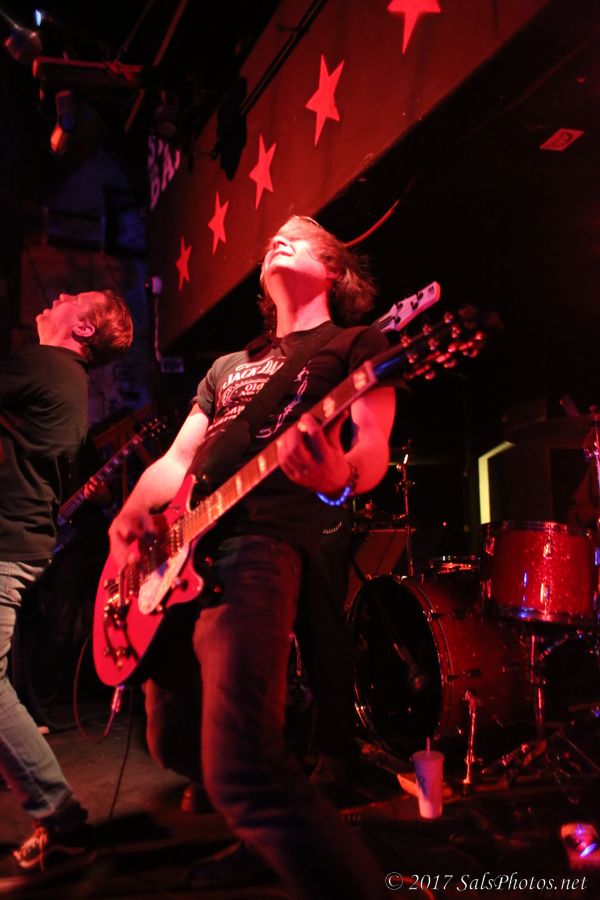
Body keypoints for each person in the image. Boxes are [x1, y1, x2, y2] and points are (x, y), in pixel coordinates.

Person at [109, 215, 395, 898]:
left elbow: (372, 447)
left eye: (300, 234)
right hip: (180, 554)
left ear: (334, 270)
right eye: (272, 238)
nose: (277, 237)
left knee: (243, 767)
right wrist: (128, 515)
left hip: (259, 543)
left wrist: (340, 476)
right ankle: (262, 835)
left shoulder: (357, 344)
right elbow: (178, 460)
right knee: (174, 742)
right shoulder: (226, 368)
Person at [0, 289, 133, 875]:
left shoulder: (43, 365)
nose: (58, 295)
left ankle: (61, 818)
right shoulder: (64, 379)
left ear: (83, 328)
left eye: (74, 296)